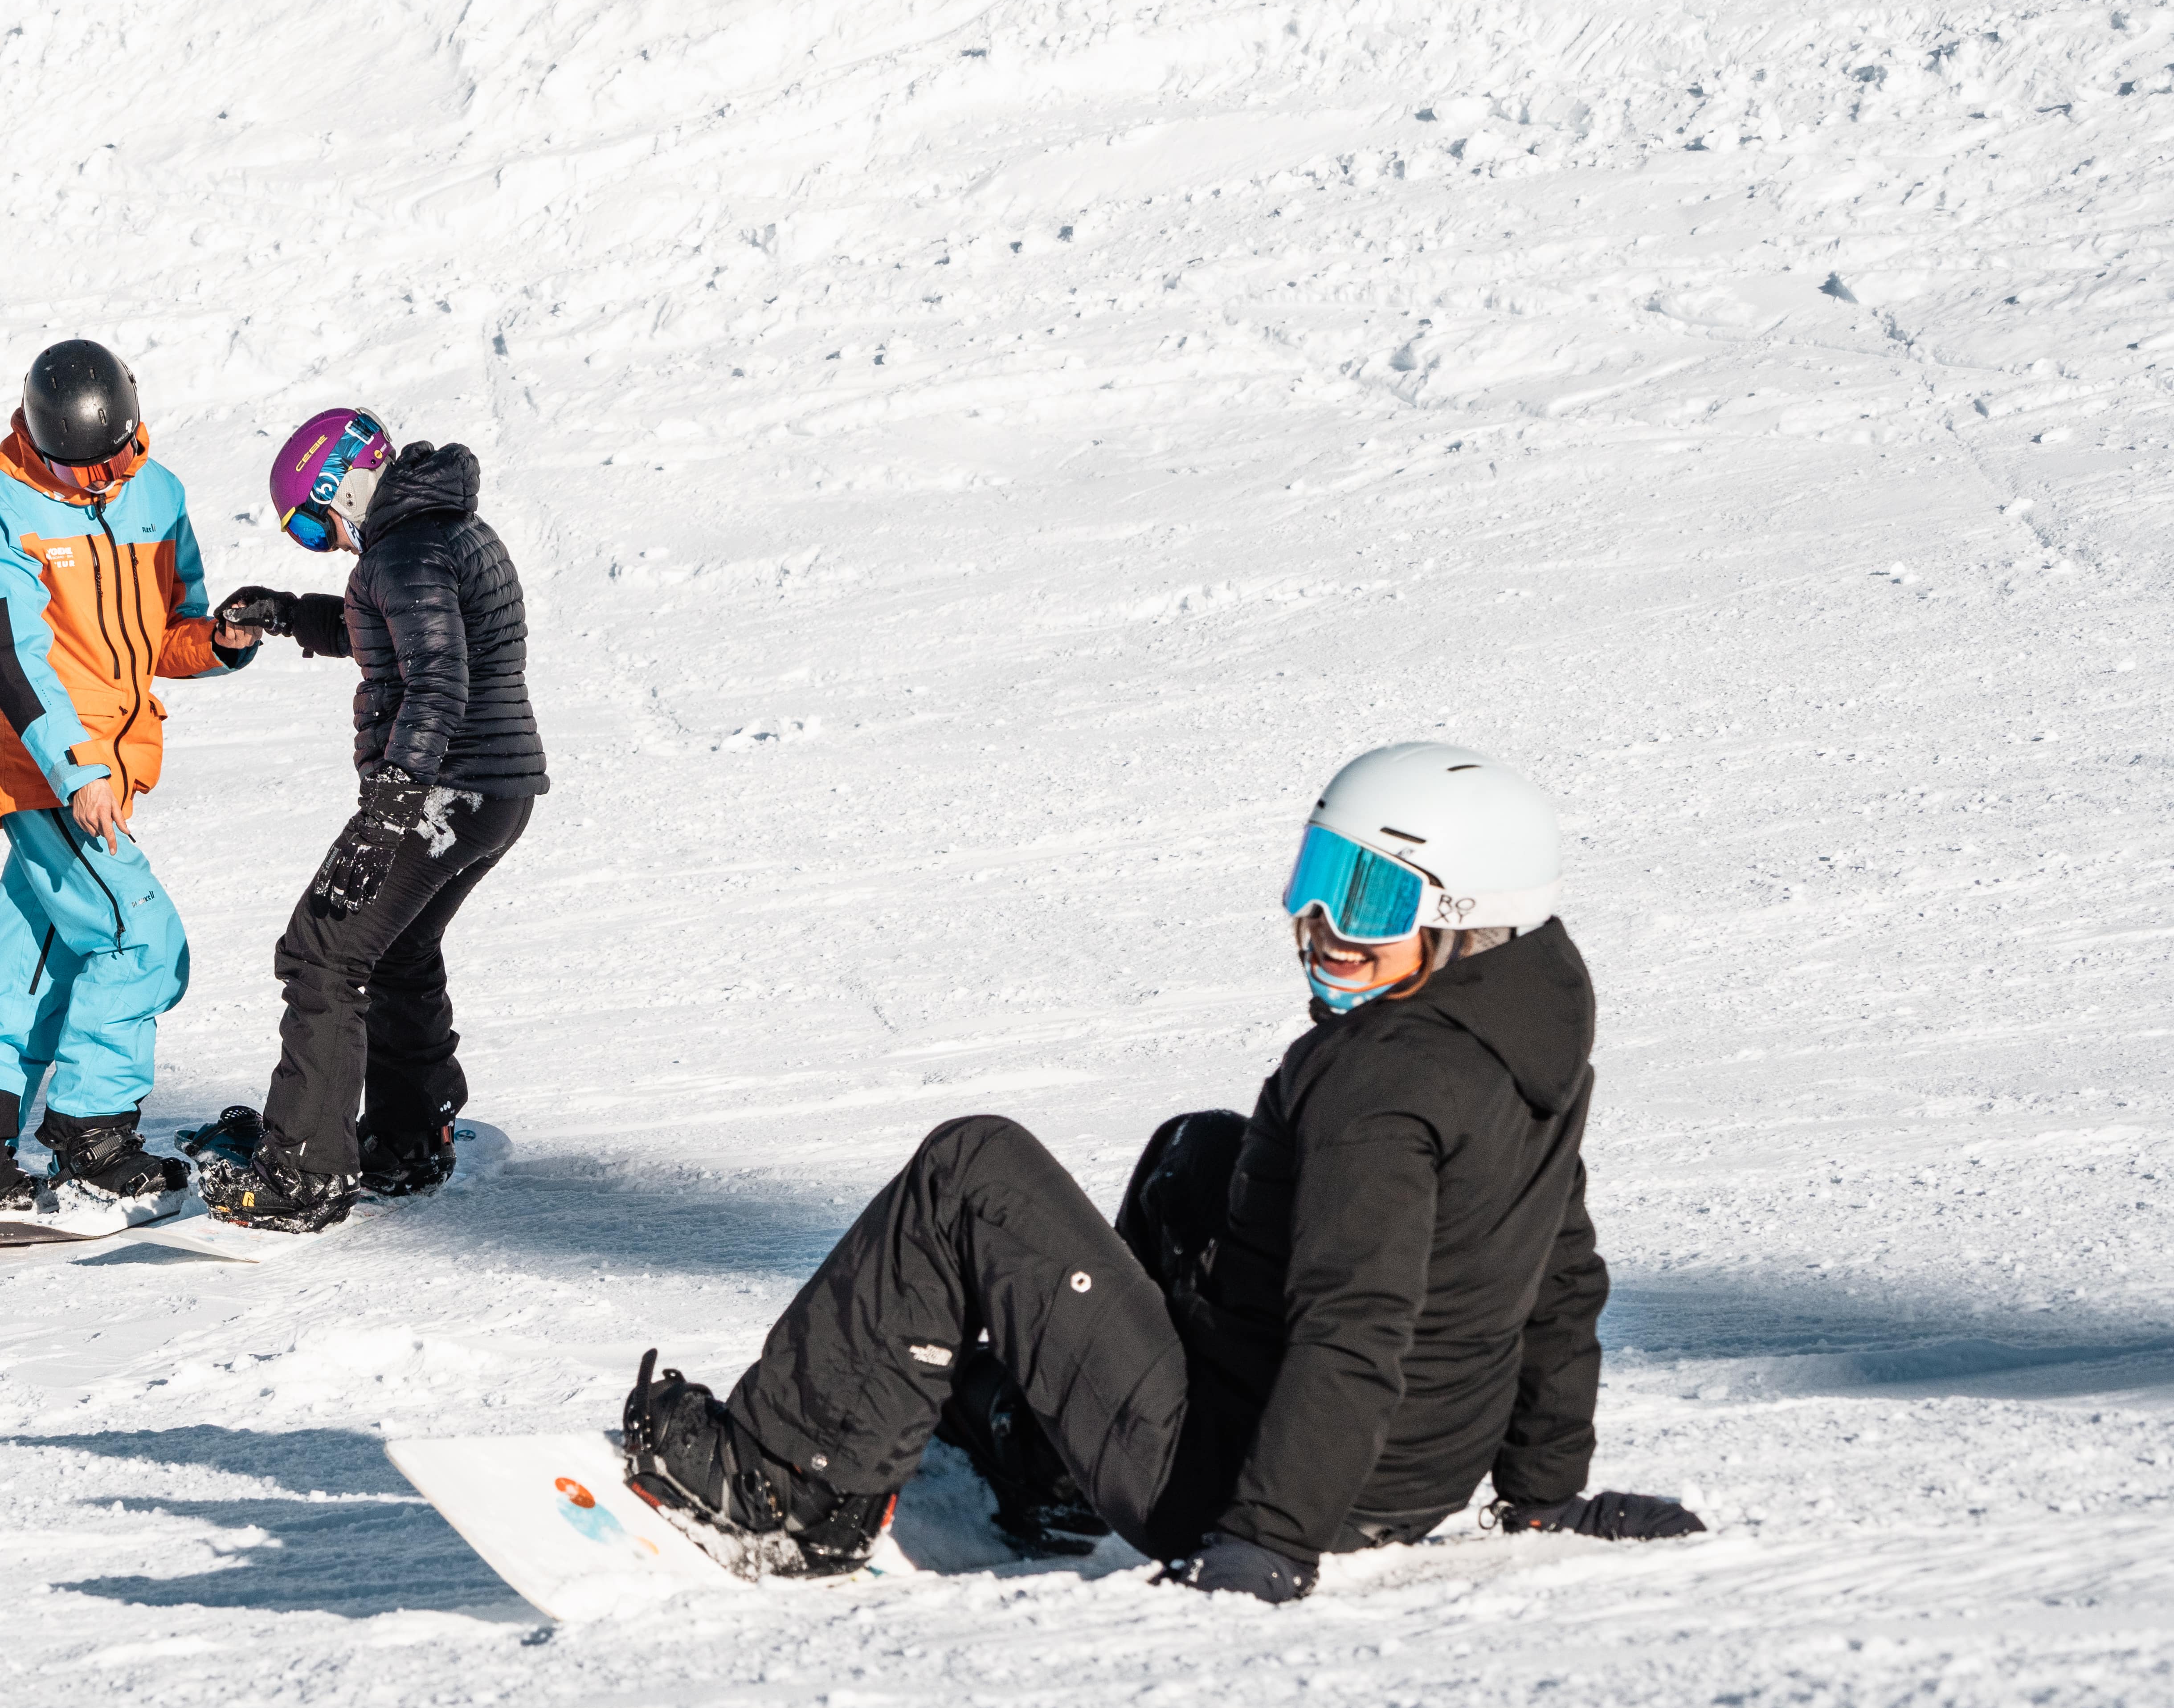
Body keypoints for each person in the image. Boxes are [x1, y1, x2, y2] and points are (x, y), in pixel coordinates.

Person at [619, 742, 1705, 1598]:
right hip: (1398, 1474)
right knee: (1206, 1156)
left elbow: (1354, 1325)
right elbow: (1556, 1268)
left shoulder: (1380, 1082)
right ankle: (1044, 1474)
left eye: (1369, 899)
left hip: (1257, 1485)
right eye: (1317, 876)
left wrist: (1266, 1544)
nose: (1321, 926)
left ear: (1465, 920)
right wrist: (1540, 1495)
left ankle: (785, 1491)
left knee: (975, 1168)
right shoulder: (1529, 1033)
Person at [0, 340, 265, 1216]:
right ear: (39, 444)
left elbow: (173, 629)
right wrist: (75, 770)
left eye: (115, 459)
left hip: (111, 769)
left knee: (31, 970)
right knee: (140, 940)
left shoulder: (158, 493)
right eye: (79, 471)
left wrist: (221, 641)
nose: (100, 482)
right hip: (44, 766)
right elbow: (13, 652)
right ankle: (92, 1141)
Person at [184, 409, 548, 1230]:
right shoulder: (439, 530)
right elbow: (386, 632)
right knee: (396, 949)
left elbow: (436, 683)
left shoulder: (408, 550)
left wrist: (389, 807)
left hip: (447, 791)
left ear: (342, 486)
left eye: (317, 525)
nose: (332, 541)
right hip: (495, 792)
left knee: (322, 950)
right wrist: (287, 612)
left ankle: (304, 1174)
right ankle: (408, 1139)